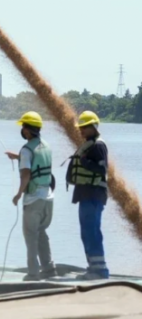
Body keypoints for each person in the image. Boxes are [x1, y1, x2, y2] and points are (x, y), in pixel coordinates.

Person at [5, 112, 56, 281]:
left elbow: (26, 174)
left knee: (30, 235)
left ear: (28, 130)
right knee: (41, 233)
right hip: (48, 198)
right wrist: (17, 156)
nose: (22, 130)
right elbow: (37, 161)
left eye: (23, 127)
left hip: (33, 199)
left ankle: (33, 273)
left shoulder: (26, 150)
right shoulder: (46, 145)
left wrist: (18, 195)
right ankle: (49, 269)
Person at [66, 110, 109, 280]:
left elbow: (102, 169)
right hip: (86, 196)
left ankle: (100, 270)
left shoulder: (98, 146)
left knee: (92, 231)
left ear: (93, 127)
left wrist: (84, 162)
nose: (81, 130)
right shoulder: (88, 144)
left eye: (84, 127)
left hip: (94, 195)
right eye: (80, 127)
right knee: (86, 232)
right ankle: (93, 267)